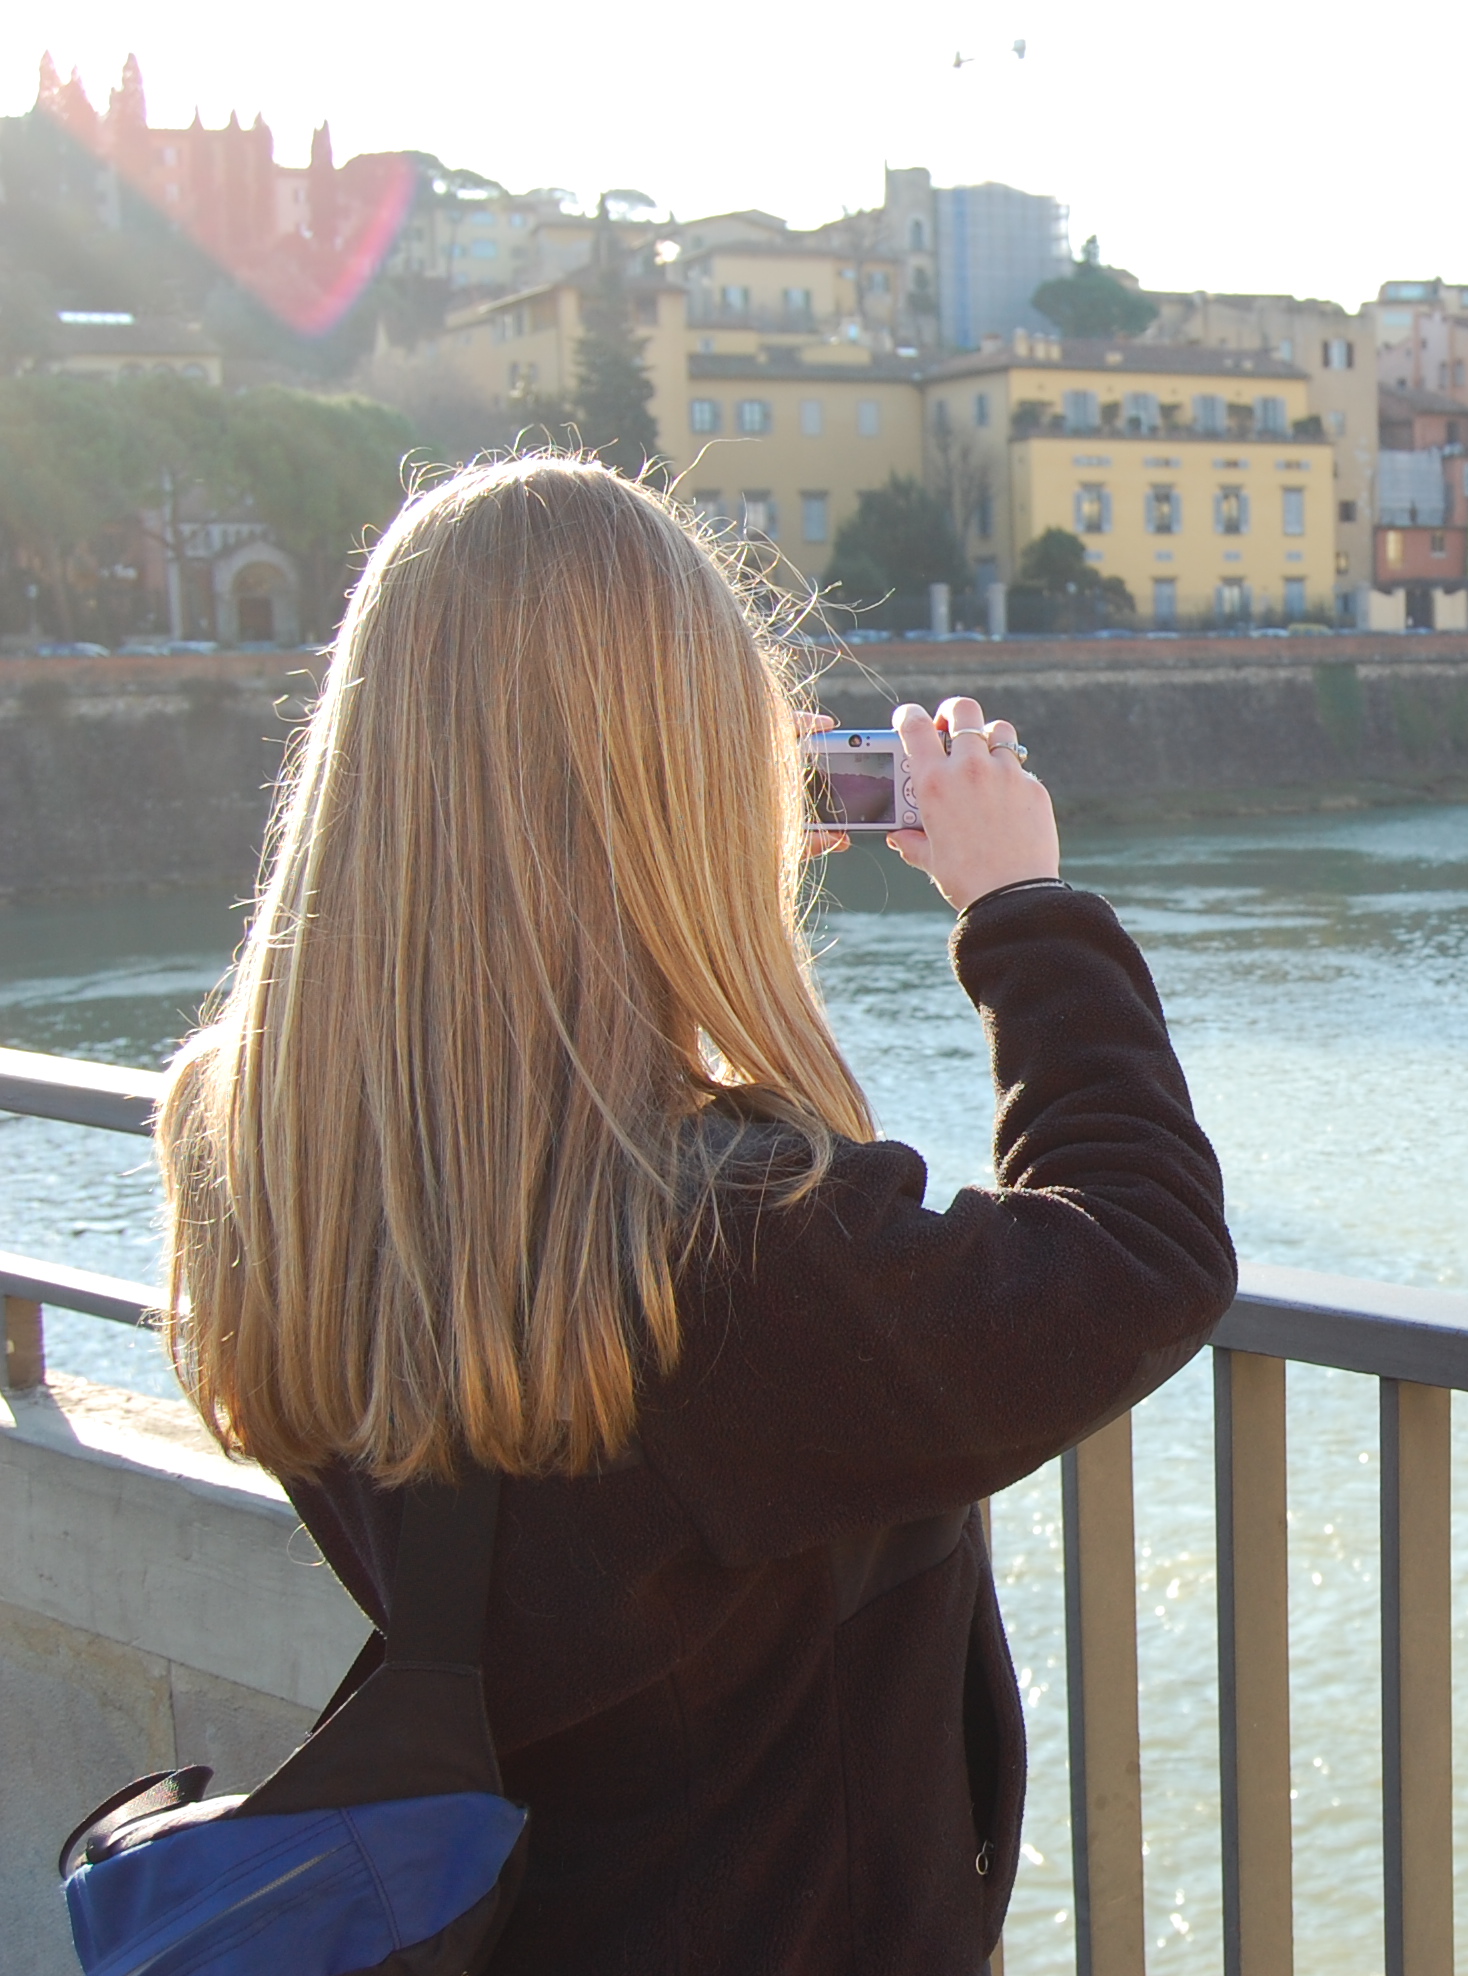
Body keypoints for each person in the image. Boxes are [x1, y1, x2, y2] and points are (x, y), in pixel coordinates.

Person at [150, 454, 1235, 1972]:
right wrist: (1024, 912)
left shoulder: (258, 1146)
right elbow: (1144, 1255)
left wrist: (672, 892)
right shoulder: (728, 1254)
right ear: (670, 787)